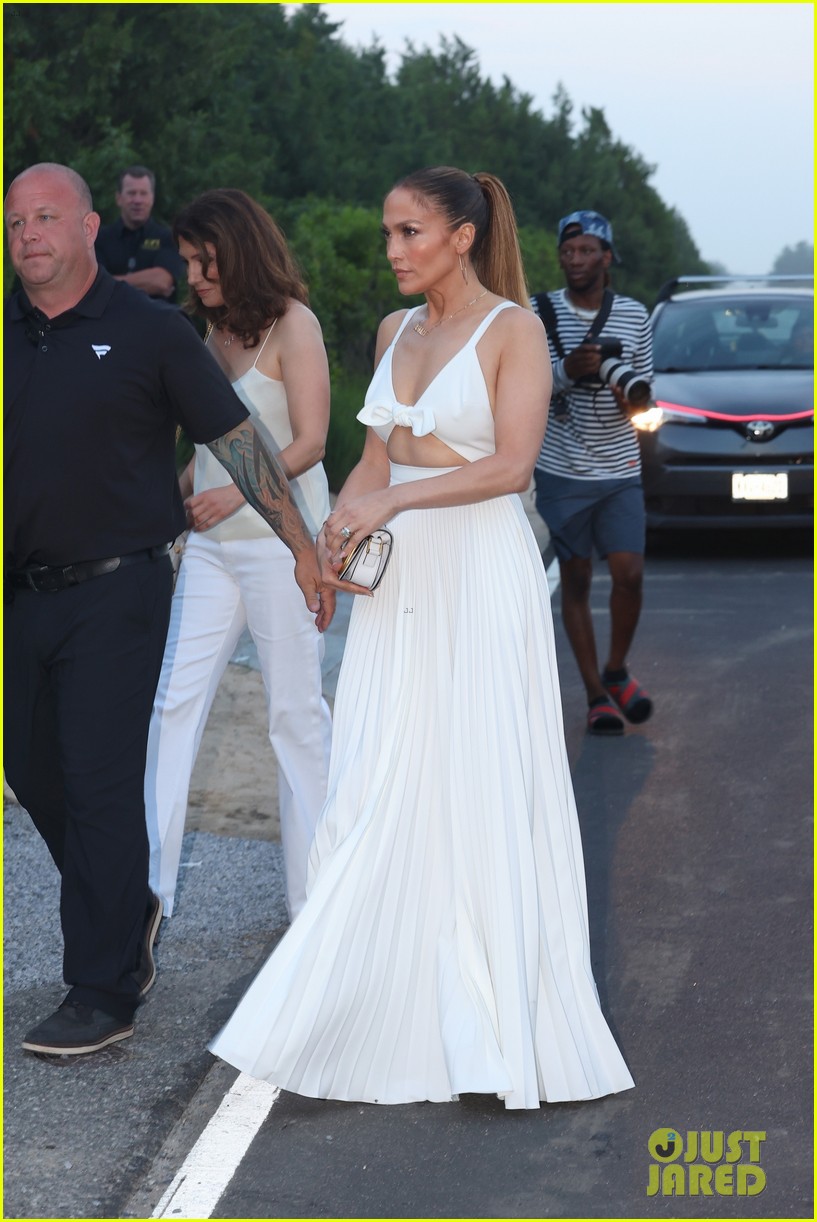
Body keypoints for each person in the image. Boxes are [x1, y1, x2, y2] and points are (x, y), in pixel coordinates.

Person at [209, 166, 634, 1110]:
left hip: (479, 577)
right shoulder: (392, 331)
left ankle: (491, 1019)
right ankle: (378, 998)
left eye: (409, 232)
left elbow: (512, 466)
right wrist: (325, 548)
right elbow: (369, 456)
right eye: (388, 234)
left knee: (477, 777)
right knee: (381, 771)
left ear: (463, 235)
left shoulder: (514, 330)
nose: (393, 250)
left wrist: (393, 496)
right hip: (397, 586)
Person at [4, 163, 333, 1057]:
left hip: (120, 587)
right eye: (14, 222)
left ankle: (101, 989)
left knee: (103, 772)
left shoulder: (150, 332)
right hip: (18, 598)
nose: (27, 234)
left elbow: (239, 439)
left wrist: (303, 548)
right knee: (34, 772)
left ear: (87, 229)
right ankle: (131, 905)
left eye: (44, 218)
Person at [144, 189, 333, 922]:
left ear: (239, 250)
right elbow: (205, 451)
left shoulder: (295, 324)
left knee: (294, 716)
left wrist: (233, 496)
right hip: (212, 556)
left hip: (280, 550)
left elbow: (313, 442)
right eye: (187, 261)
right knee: (170, 707)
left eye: (203, 259)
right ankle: (147, 901)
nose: (191, 274)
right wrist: (170, 503)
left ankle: (314, 905)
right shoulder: (208, 333)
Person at [531, 211, 654, 736]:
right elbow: (526, 388)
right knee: (576, 579)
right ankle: (596, 695)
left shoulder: (634, 315)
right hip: (561, 470)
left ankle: (617, 669)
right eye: (568, 251)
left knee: (629, 574)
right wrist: (568, 371)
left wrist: (625, 395)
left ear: (607, 257)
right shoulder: (537, 313)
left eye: (587, 251)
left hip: (620, 467)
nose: (575, 260)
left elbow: (646, 395)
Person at [95, 165, 183, 300]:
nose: (137, 200)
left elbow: (161, 282)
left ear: (152, 198)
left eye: (143, 193)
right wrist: (146, 282)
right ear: (119, 198)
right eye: (131, 193)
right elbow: (91, 285)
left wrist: (108, 282)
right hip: (111, 319)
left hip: (156, 320)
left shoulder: (169, 238)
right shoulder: (99, 239)